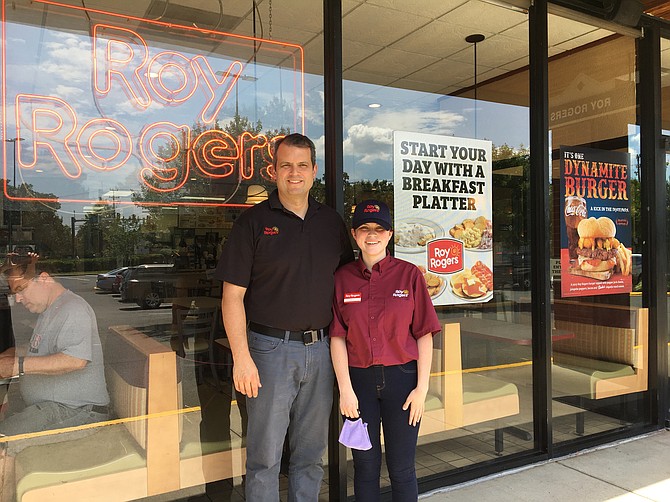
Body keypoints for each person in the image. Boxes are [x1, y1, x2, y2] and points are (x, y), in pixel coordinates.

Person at [215, 133, 354, 500]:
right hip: (269, 351)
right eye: (286, 165)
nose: (295, 173)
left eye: (302, 165)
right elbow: (232, 298)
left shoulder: (331, 223)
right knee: (264, 458)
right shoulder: (253, 224)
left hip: (322, 350)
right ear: (274, 170)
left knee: (310, 456)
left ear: (314, 171)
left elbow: (347, 287)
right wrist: (241, 359)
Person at [330, 200, 441, 501]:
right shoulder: (342, 279)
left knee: (402, 468)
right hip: (359, 384)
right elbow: (337, 337)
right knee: (365, 467)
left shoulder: (410, 275)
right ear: (354, 234)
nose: (372, 235)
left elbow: (424, 334)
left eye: (379, 228)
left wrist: (422, 389)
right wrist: (345, 390)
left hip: (402, 382)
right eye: (364, 228)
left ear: (390, 234)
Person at [0, 254, 110, 500]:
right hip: (54, 407)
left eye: (21, 289)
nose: (17, 298)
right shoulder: (52, 310)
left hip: (79, 411)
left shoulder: (74, 308)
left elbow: (75, 360)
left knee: (2, 443)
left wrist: (15, 365)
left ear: (44, 279)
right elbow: (39, 349)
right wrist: (9, 355)